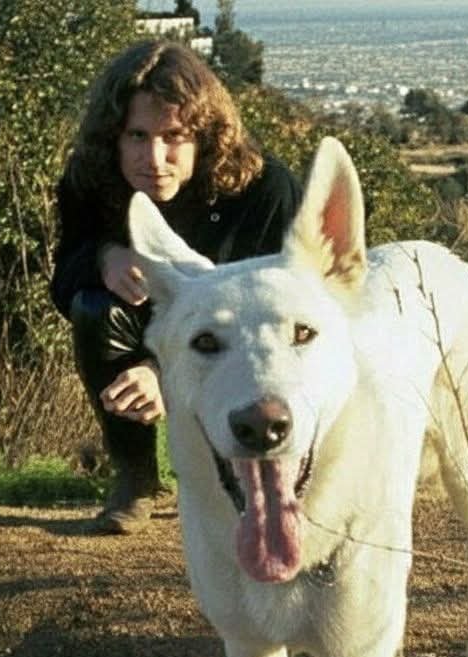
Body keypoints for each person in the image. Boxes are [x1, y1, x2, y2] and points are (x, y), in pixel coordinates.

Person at [51, 39, 301, 534]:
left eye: (174, 137)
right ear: (113, 138)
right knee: (94, 308)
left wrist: (162, 372)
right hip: (154, 322)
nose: (155, 158)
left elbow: (282, 318)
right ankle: (136, 477)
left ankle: (265, 480)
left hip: (252, 347)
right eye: (137, 136)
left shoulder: (265, 190)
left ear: (205, 136)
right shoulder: (90, 180)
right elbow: (63, 286)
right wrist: (104, 257)